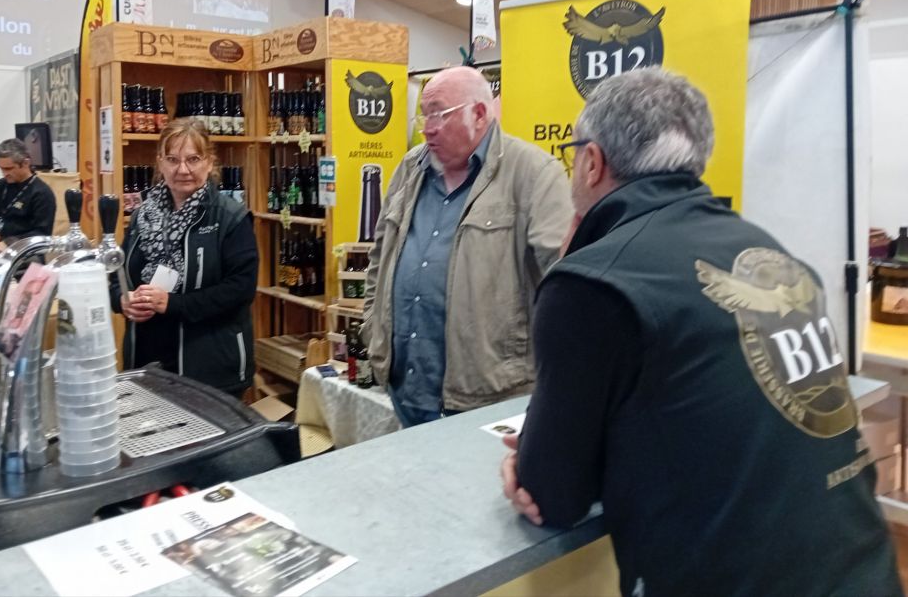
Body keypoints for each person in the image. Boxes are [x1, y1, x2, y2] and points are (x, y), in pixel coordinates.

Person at [500, 67, 900, 596]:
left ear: (592, 162)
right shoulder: (771, 252)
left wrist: (526, 459)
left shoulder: (592, 282)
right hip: (866, 569)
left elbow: (552, 495)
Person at [363, 66, 572, 427]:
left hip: (487, 398)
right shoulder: (411, 168)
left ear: (479, 113)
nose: (427, 127)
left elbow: (565, 280)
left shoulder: (534, 173)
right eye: (423, 115)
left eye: (439, 114)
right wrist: (373, 327)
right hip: (406, 388)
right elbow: (380, 255)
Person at [110, 118, 258, 396]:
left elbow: (240, 290)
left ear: (209, 163)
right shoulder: (143, 216)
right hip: (146, 364)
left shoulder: (229, 217)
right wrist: (123, 300)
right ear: (160, 163)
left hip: (210, 370)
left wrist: (172, 303)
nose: (183, 169)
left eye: (193, 159)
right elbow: (116, 275)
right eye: (172, 159)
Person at [0, 138, 55, 249]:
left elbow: (41, 235)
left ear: (25, 163)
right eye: (1, 169)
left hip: (24, 253)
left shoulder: (41, 193)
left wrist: (6, 242)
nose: (4, 173)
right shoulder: (0, 186)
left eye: (8, 169)